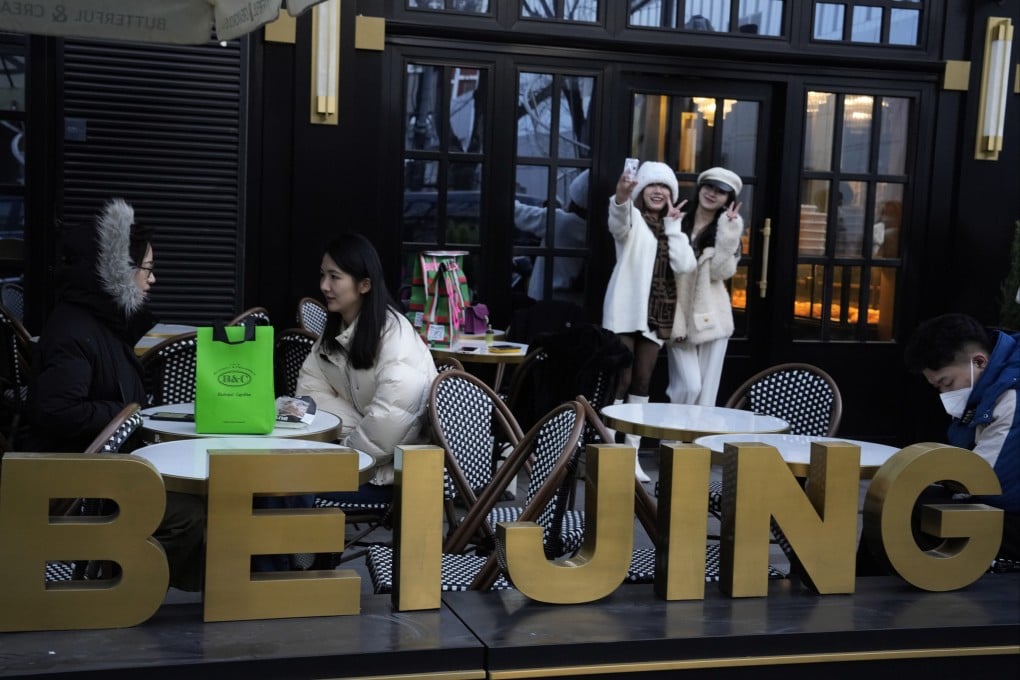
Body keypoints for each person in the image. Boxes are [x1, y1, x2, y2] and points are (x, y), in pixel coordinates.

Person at [24, 198, 205, 591]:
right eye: (148, 269)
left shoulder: (99, 322)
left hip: (100, 475)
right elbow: (56, 409)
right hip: (77, 487)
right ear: (119, 271)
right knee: (192, 514)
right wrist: (126, 415)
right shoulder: (75, 332)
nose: (152, 279)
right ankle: (125, 587)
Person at [858, 313, 1019, 574]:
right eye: (938, 388)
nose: (945, 395)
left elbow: (986, 481)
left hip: (1008, 512)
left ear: (979, 361)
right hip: (999, 500)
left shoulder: (1011, 397)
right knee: (894, 505)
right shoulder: (989, 388)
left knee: (909, 515)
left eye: (947, 383)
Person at [297, 232, 438, 503]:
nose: (324, 286)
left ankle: (287, 543)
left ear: (364, 285)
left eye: (335, 277)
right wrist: (356, 426)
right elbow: (308, 397)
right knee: (271, 472)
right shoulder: (335, 332)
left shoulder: (394, 337)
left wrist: (341, 453)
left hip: (392, 472)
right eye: (323, 275)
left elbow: (389, 424)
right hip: (355, 456)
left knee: (290, 480)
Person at [602, 161, 697, 482]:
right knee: (621, 380)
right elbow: (618, 222)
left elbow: (685, 265)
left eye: (665, 187)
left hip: (656, 316)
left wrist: (674, 228)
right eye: (652, 186)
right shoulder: (633, 220)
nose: (658, 192)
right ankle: (605, 448)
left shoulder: (673, 227)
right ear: (642, 191)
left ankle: (631, 453)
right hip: (624, 312)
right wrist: (621, 197)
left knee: (643, 382)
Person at [665, 167, 744, 407]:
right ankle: (673, 440)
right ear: (701, 187)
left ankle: (698, 443)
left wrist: (728, 234)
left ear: (728, 200)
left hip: (713, 317)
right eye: (709, 187)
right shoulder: (679, 219)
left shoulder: (727, 229)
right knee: (688, 386)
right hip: (678, 315)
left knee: (706, 394)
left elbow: (722, 271)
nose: (712, 194)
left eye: (721, 192)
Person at [513, 170, 589, 304]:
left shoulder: (559, 221)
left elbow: (518, 213)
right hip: (574, 305)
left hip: (543, 299)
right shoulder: (597, 231)